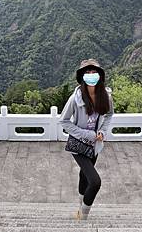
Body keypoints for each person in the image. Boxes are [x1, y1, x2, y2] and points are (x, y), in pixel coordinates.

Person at [58, 58, 114, 221]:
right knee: (95, 182)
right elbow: (64, 120)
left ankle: (80, 206)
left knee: (84, 176)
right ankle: (83, 216)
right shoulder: (75, 99)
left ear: (99, 76)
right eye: (87, 72)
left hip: (95, 145)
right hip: (79, 145)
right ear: (82, 76)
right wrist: (86, 134)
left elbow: (109, 115)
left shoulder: (106, 97)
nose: (91, 75)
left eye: (93, 72)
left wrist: (103, 131)